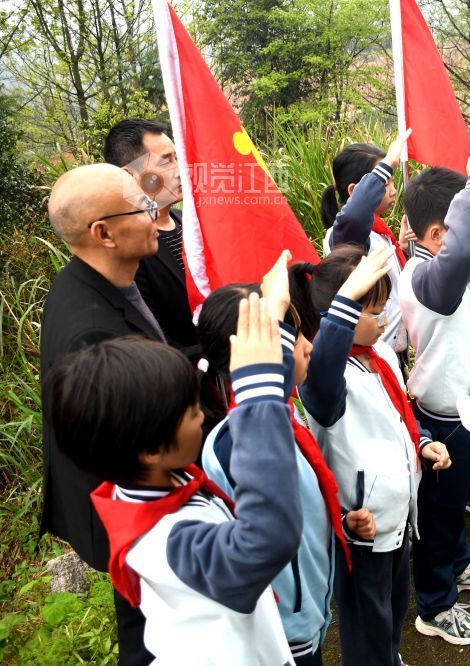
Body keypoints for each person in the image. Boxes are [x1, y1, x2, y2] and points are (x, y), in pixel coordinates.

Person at [43, 296, 302, 663]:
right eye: (192, 411)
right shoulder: (165, 541)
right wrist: (256, 394)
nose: (202, 416)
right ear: (150, 449)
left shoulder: (145, 487)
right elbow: (267, 538)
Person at [198, 251, 369, 665]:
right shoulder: (234, 444)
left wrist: (339, 524)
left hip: (306, 610)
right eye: (292, 338)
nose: (308, 347)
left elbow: (295, 505)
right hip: (279, 632)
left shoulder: (286, 417)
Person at [289, 245, 452, 666]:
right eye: (371, 310)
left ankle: (389, 656)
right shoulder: (326, 380)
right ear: (334, 318)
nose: (382, 319)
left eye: (382, 307)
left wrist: (421, 442)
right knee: (366, 624)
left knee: (393, 609)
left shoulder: (378, 355)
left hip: (397, 517)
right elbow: (325, 367)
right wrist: (346, 303)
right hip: (361, 529)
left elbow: (395, 418)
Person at [40, 163, 166, 665]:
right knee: (149, 634)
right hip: (127, 516)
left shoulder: (96, 281)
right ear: (103, 233)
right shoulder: (91, 331)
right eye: (143, 207)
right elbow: (131, 438)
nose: (157, 216)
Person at [399, 141, 470, 645]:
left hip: (463, 409)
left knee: (452, 509)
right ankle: (436, 605)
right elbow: (463, 248)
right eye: (461, 226)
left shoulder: (439, 264)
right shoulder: (423, 276)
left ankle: (458, 566)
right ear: (438, 233)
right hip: (443, 418)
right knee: (440, 519)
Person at [103, 119, 196, 353]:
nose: (179, 169)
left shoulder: (187, 222)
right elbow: (154, 340)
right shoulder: (129, 248)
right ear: (129, 174)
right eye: (166, 161)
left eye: (176, 157)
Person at [321, 132, 412, 357]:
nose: (392, 190)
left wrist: (401, 250)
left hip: (389, 352)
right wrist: (389, 162)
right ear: (354, 191)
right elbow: (354, 214)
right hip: (372, 352)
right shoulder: (343, 235)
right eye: (384, 182)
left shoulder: (377, 232)